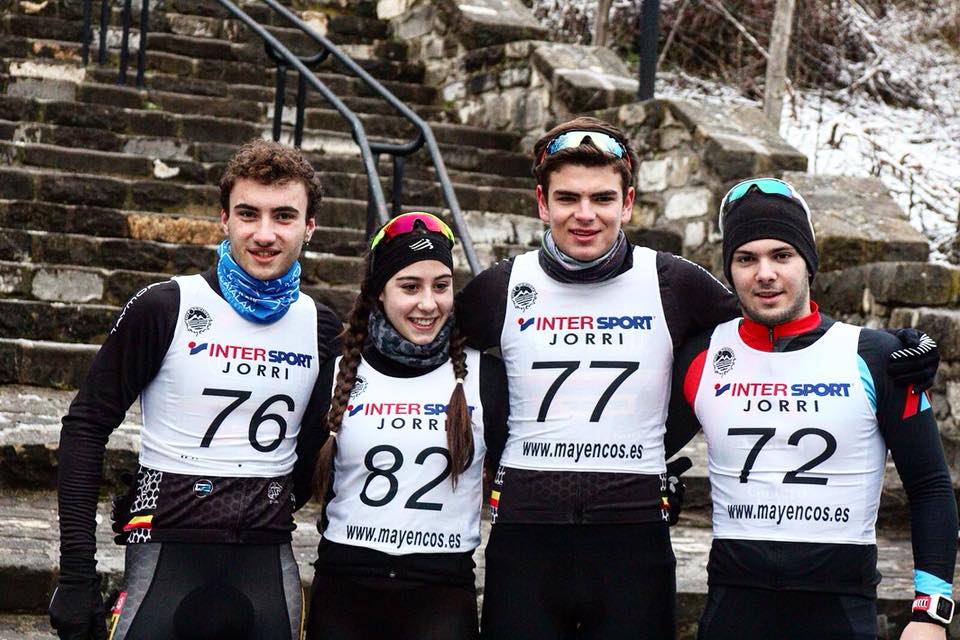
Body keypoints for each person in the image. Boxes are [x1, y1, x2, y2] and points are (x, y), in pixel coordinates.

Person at [455, 117, 942, 639]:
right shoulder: (501, 286)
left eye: (602, 198)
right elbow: (428, 336)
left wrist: (898, 345)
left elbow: (778, 324)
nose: (585, 214)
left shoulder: (674, 280)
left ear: (628, 202)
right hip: (527, 537)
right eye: (568, 198)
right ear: (541, 202)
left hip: (633, 541)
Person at [48, 139, 343, 640]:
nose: (264, 234)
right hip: (167, 561)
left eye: (284, 216)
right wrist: (77, 572)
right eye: (248, 214)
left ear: (309, 227)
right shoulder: (165, 306)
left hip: (266, 567)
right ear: (224, 219)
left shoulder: (321, 326)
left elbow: (310, 450)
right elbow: (85, 427)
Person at [667, 177, 957, 639]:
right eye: (746, 259)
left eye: (782, 255)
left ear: (809, 263)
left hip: (837, 609)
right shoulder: (701, 356)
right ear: (730, 271)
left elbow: (930, 487)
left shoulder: (878, 357)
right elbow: (639, 444)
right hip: (733, 606)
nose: (764, 273)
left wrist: (930, 612)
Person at [304, 212, 507, 640]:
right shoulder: (339, 370)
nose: (428, 304)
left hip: (440, 596)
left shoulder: (485, 377)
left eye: (441, 286)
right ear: (379, 292)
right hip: (344, 592)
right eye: (410, 287)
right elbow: (296, 476)